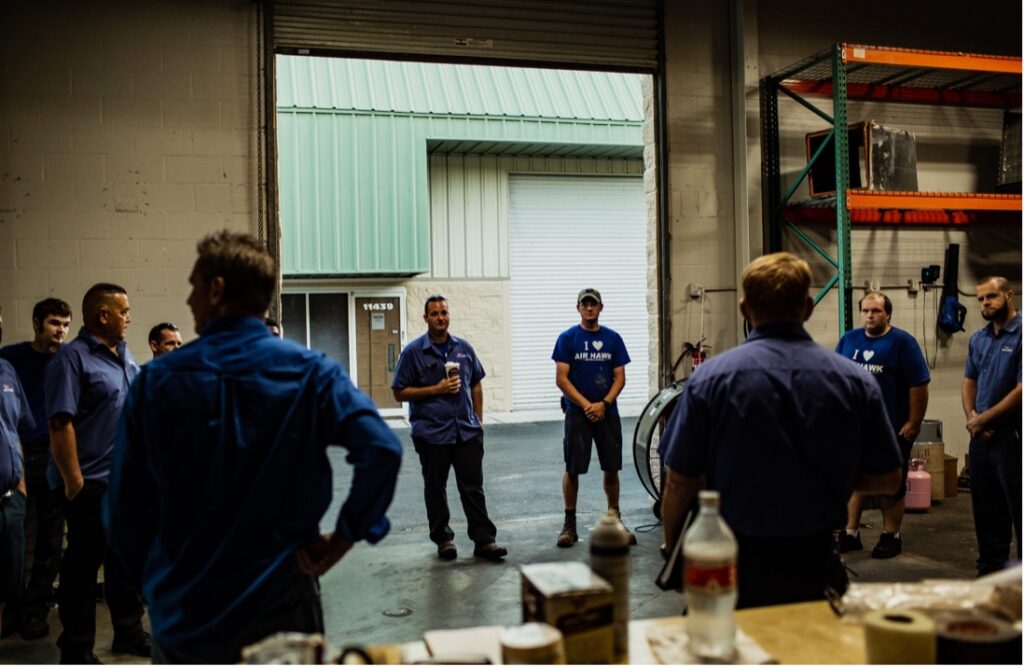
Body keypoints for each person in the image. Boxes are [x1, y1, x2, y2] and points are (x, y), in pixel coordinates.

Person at [105, 231, 403, 663]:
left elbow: (122, 510)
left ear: (217, 289)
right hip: (284, 607)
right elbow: (382, 450)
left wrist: (157, 585)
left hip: (189, 614)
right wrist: (343, 537)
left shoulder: (156, 382)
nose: (189, 301)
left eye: (193, 286)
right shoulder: (312, 372)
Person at [659, 252, 903, 609]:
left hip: (730, 565)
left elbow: (679, 481)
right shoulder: (854, 382)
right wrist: (822, 479)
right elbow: (888, 480)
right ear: (807, 307)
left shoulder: (710, 380)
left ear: (744, 309)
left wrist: (672, 547)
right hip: (813, 563)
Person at [45, 284, 149, 663]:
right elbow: (60, 423)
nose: (129, 318)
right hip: (91, 486)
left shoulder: (124, 356)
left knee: (125, 565)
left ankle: (128, 632)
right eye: (124, 311)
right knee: (83, 570)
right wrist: (75, 483)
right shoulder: (72, 360)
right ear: (103, 315)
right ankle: (75, 648)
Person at [391, 295, 506, 562]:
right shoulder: (413, 352)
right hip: (432, 434)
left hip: (466, 431)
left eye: (444, 312)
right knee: (436, 488)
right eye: (434, 313)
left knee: (473, 488)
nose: (440, 317)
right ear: (426, 318)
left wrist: (478, 419)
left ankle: (484, 541)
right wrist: (437, 389)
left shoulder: (463, 348)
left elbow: (476, 382)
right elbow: (398, 393)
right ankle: (444, 540)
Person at [835, 291, 930, 559]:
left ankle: (891, 536)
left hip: (893, 428)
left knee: (892, 484)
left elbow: (919, 384)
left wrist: (914, 422)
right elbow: (838, 378)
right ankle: (850, 534)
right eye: (865, 310)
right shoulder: (849, 340)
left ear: (887, 313)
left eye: (876, 311)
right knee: (854, 481)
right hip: (856, 429)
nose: (870, 315)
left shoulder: (902, 343)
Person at [0, 298, 72, 640]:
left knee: (51, 537)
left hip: (52, 454)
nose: (60, 331)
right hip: (16, 454)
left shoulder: (70, 359)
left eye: (65, 324)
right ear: (36, 323)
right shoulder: (10, 359)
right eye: (54, 323)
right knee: (14, 537)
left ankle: (34, 611)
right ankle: (9, 610)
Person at [551, 288, 634, 548]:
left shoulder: (613, 339)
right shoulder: (567, 339)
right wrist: (588, 405)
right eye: (584, 305)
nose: (589, 309)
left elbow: (619, 377)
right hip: (578, 414)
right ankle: (569, 526)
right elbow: (561, 379)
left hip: (607, 413)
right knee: (573, 469)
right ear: (578, 308)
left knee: (611, 468)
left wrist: (604, 404)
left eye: (593, 305)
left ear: (600, 308)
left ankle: (615, 520)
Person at [962, 276, 1021, 576]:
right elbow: (969, 380)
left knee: (1018, 510)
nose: (985, 303)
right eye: (981, 298)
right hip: (982, 439)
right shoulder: (978, 339)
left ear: (1009, 296)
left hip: (1013, 437)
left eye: (992, 297)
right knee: (987, 513)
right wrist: (973, 417)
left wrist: (985, 418)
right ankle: (990, 576)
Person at [0, 312, 33, 638]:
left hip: (11, 494)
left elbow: (16, 427)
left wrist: (21, 479)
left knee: (11, 571)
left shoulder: (6, 370)